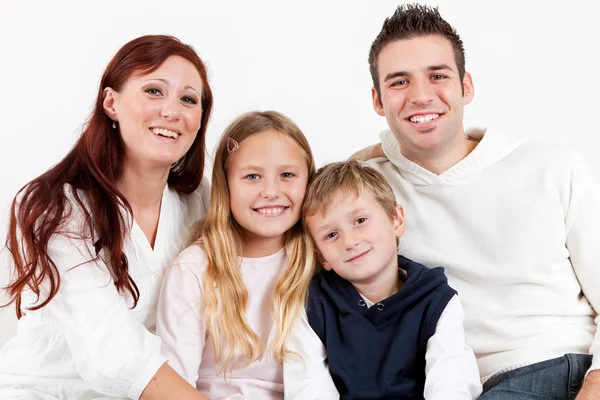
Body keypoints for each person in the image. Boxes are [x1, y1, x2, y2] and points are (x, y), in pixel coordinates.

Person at [360, 4, 600, 399]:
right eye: (399, 83)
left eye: (437, 76)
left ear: (466, 86)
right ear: (378, 100)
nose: (421, 96)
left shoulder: (550, 166)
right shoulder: (370, 191)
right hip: (454, 384)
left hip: (559, 365)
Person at [0, 35, 214, 400]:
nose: (172, 111)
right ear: (111, 103)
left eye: (188, 99)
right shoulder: (57, 207)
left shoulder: (199, 201)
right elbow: (115, 353)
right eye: (153, 91)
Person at [156, 111, 331, 399]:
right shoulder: (195, 268)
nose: (271, 191)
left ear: (309, 181)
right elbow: (175, 382)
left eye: (287, 175)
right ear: (225, 186)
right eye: (252, 176)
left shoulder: (321, 260)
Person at [283, 160, 482, 399]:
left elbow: (450, 385)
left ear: (396, 220)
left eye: (360, 221)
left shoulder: (436, 300)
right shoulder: (312, 305)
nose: (349, 242)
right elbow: (308, 389)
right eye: (331, 234)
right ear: (321, 256)